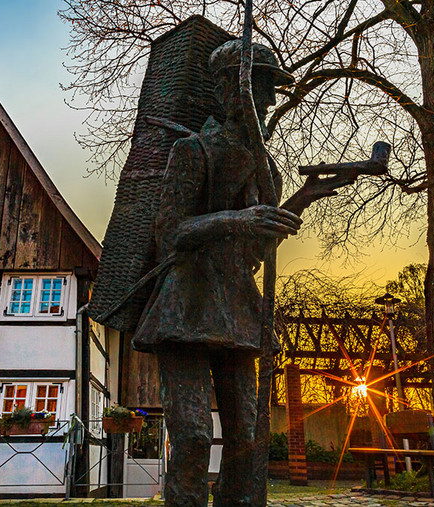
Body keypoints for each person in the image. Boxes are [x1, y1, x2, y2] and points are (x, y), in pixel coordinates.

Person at [132, 39, 302, 506]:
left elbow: (255, 255)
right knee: (192, 436)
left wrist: (302, 199)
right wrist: (237, 219)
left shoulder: (267, 171)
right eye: (260, 85)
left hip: (237, 310)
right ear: (229, 90)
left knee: (247, 435)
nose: (269, 99)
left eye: (271, 88)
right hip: (185, 307)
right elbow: (170, 231)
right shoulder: (192, 151)